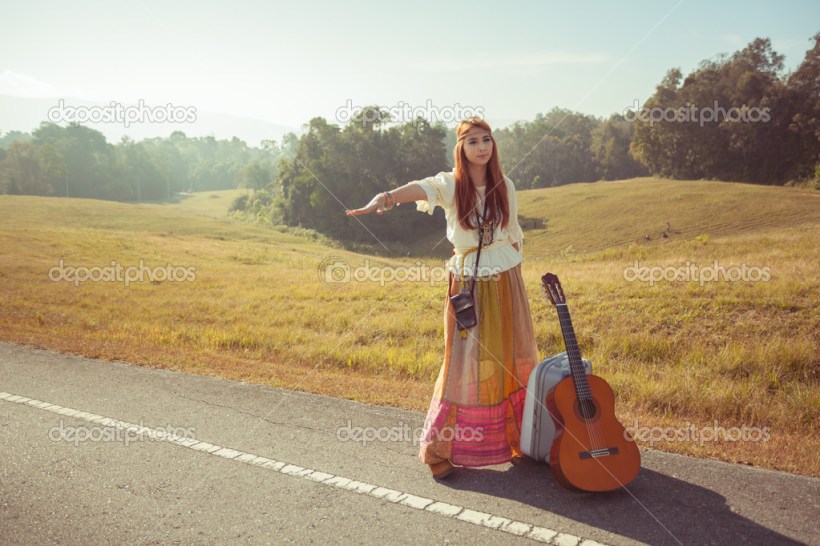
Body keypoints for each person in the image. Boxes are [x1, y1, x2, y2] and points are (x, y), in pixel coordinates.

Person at [345, 117, 539, 480]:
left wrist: (515, 278)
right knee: (463, 363)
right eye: (473, 142)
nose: (482, 147)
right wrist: (386, 198)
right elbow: (421, 188)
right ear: (461, 148)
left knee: (515, 355)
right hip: (468, 282)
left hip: (507, 277)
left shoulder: (505, 184)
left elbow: (512, 235)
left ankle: (517, 437)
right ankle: (442, 448)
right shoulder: (452, 184)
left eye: (487, 140)